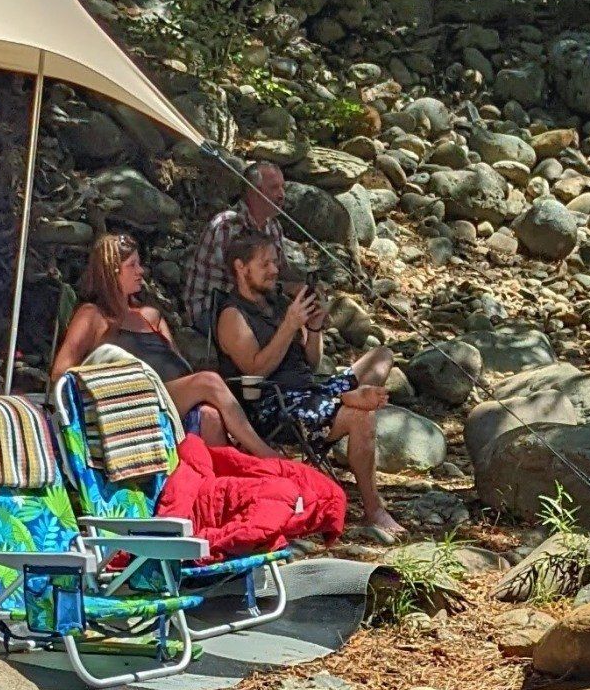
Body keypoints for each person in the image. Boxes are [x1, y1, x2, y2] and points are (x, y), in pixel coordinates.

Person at [212, 230, 402, 542]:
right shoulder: (232, 315)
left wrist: (313, 328)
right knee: (361, 417)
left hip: (310, 393)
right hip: (274, 405)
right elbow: (255, 370)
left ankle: (346, 399)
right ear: (241, 267)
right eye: (265, 264)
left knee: (381, 356)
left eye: (275, 262)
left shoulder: (276, 304)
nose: (275, 270)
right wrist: (289, 325)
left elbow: (311, 363)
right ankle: (374, 509)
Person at [50, 233, 273, 456]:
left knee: (210, 416)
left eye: (139, 264)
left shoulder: (151, 316)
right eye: (132, 265)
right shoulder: (93, 315)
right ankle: (268, 457)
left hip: (170, 401)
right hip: (133, 402)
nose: (141, 271)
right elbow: (61, 372)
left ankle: (231, 472)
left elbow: (179, 364)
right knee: (209, 381)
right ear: (111, 271)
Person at [185, 162, 288, 342]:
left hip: (252, 305)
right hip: (212, 308)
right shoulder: (227, 225)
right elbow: (245, 285)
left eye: (283, 187)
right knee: (271, 335)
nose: (282, 194)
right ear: (254, 192)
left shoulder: (274, 227)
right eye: (274, 188)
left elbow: (280, 273)